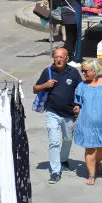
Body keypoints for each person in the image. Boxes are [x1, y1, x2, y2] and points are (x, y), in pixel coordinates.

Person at [33, 48, 82, 183]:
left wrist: (79, 106)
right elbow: (34, 88)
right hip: (52, 112)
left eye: (62, 57)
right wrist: (45, 85)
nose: (59, 60)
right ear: (53, 58)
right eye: (56, 57)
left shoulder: (73, 73)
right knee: (54, 142)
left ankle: (63, 160)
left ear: (67, 59)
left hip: (69, 113)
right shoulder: (48, 72)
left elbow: (81, 91)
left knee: (67, 139)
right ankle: (55, 171)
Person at [73, 59, 102, 186]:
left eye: (86, 71)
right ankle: (91, 175)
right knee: (90, 150)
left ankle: (98, 162)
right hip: (86, 124)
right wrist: (77, 108)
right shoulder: (81, 86)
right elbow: (78, 104)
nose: (83, 73)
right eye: (82, 71)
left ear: (94, 71)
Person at [60, 0, 90, 66]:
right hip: (72, 14)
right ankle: (67, 58)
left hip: (69, 14)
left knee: (71, 37)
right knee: (71, 38)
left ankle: (67, 57)